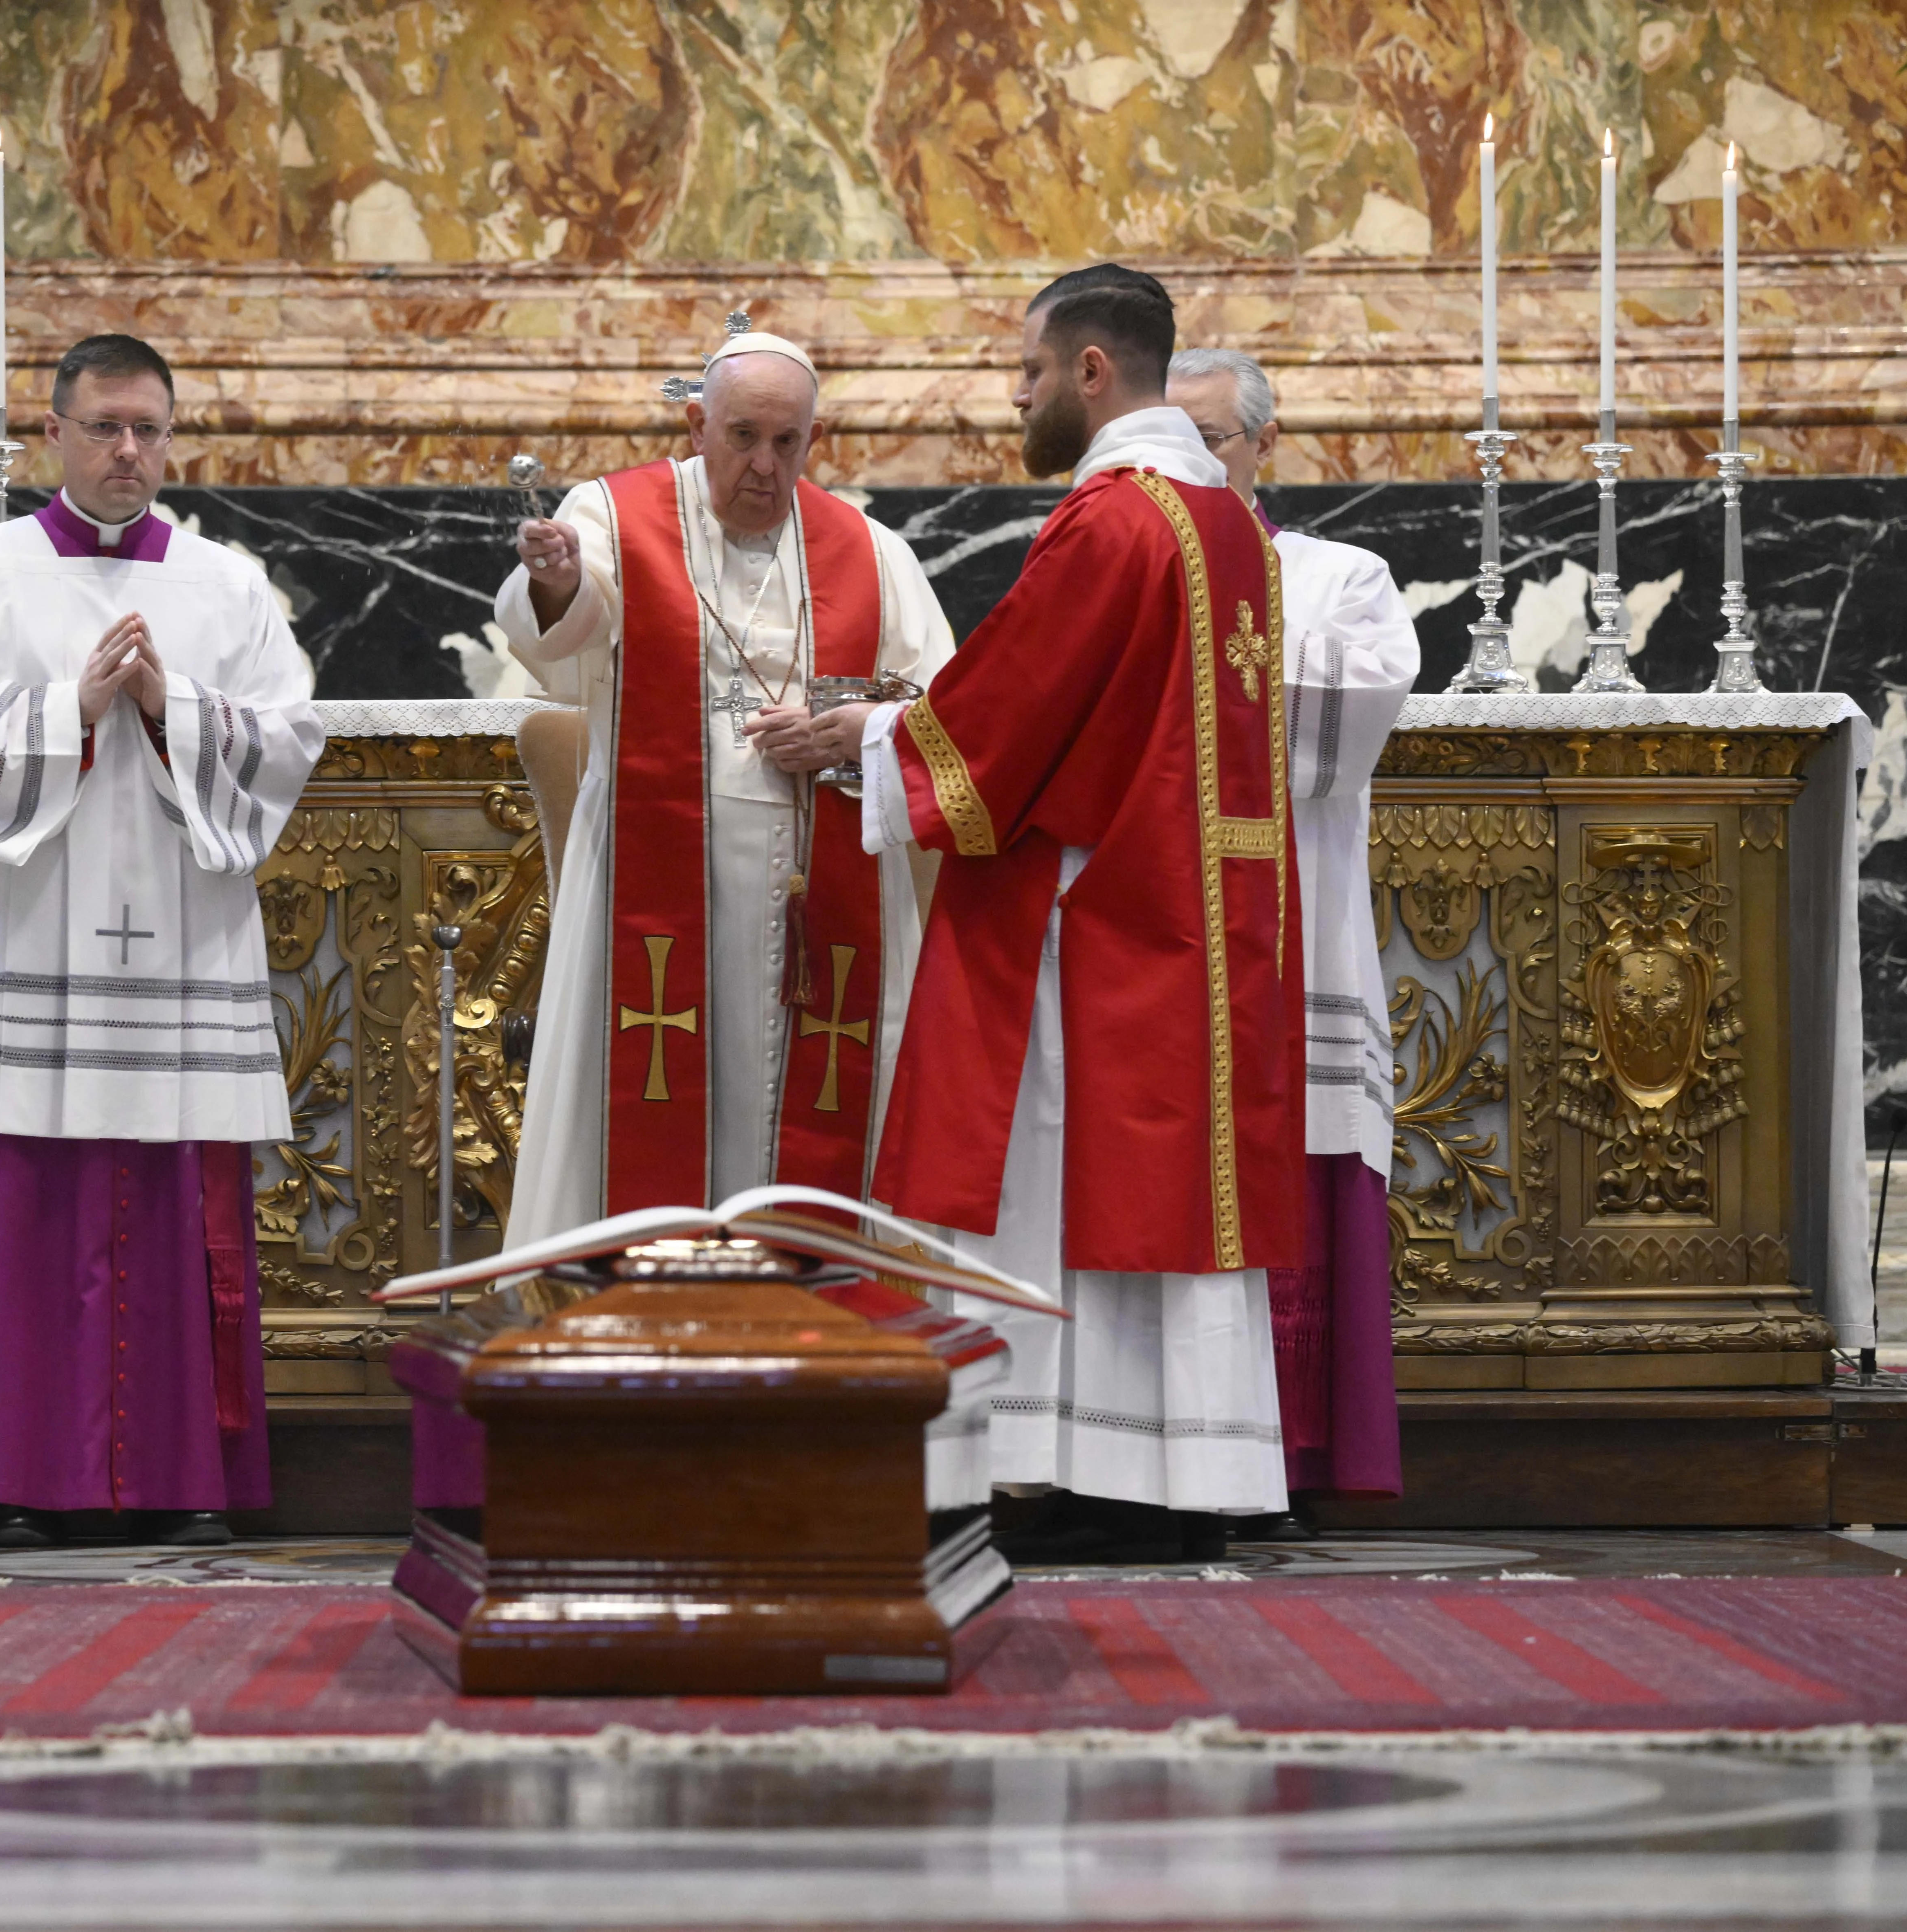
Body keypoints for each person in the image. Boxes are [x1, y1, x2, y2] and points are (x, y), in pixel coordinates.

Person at [830, 263, 1305, 1564]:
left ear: (1092, 372)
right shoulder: (1220, 524)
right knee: (1155, 1197)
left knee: (1060, 1179)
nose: (1017, 395)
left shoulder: (1116, 523)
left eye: (1029, 372)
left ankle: (1065, 1463)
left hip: (1096, 923)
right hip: (1191, 914)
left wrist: (860, 735)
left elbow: (1010, 721)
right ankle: (1164, 1468)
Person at [0, 333, 322, 1549]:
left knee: (177, 1203)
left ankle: (187, 1474)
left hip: (179, 951)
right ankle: (31, 1474)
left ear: (171, 434)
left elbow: (287, 740)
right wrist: (71, 708)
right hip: (35, 944)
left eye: (146, 427)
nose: (126, 450)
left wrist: (165, 704)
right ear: (55, 433)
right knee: (37, 1202)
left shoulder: (227, 586)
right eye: (101, 427)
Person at [498, 328, 955, 1244]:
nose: (763, 465)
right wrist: (553, 580)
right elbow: (563, 630)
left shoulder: (870, 552)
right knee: (654, 1094)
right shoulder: (617, 515)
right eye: (743, 437)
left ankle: (811, 1327)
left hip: (820, 899)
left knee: (801, 1103)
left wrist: (847, 733)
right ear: (697, 423)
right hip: (658, 879)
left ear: (815, 443)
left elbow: (941, 710)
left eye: (788, 444)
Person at [1169, 348, 1418, 1508]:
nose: (1186, 468)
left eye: (1208, 442)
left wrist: (1172, 679)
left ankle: (1301, 1456)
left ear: (1263, 447)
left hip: (1293, 937)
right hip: (1154, 949)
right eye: (1166, 445)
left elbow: (1341, 725)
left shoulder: (1338, 577)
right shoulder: (1114, 568)